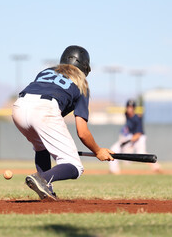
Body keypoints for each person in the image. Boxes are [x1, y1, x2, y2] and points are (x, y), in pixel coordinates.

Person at [12, 45, 114, 201]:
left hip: (19, 107)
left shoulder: (46, 71)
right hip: (43, 109)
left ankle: (46, 190)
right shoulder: (81, 83)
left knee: (41, 147)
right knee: (74, 166)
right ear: (85, 67)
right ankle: (42, 179)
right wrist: (98, 151)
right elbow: (82, 132)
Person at [108, 99, 161, 174]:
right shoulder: (126, 114)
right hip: (131, 136)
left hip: (139, 137)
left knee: (141, 153)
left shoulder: (137, 118)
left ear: (134, 108)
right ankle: (114, 170)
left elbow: (138, 134)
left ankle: (156, 167)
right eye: (128, 107)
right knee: (114, 148)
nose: (130, 109)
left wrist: (129, 142)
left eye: (131, 107)